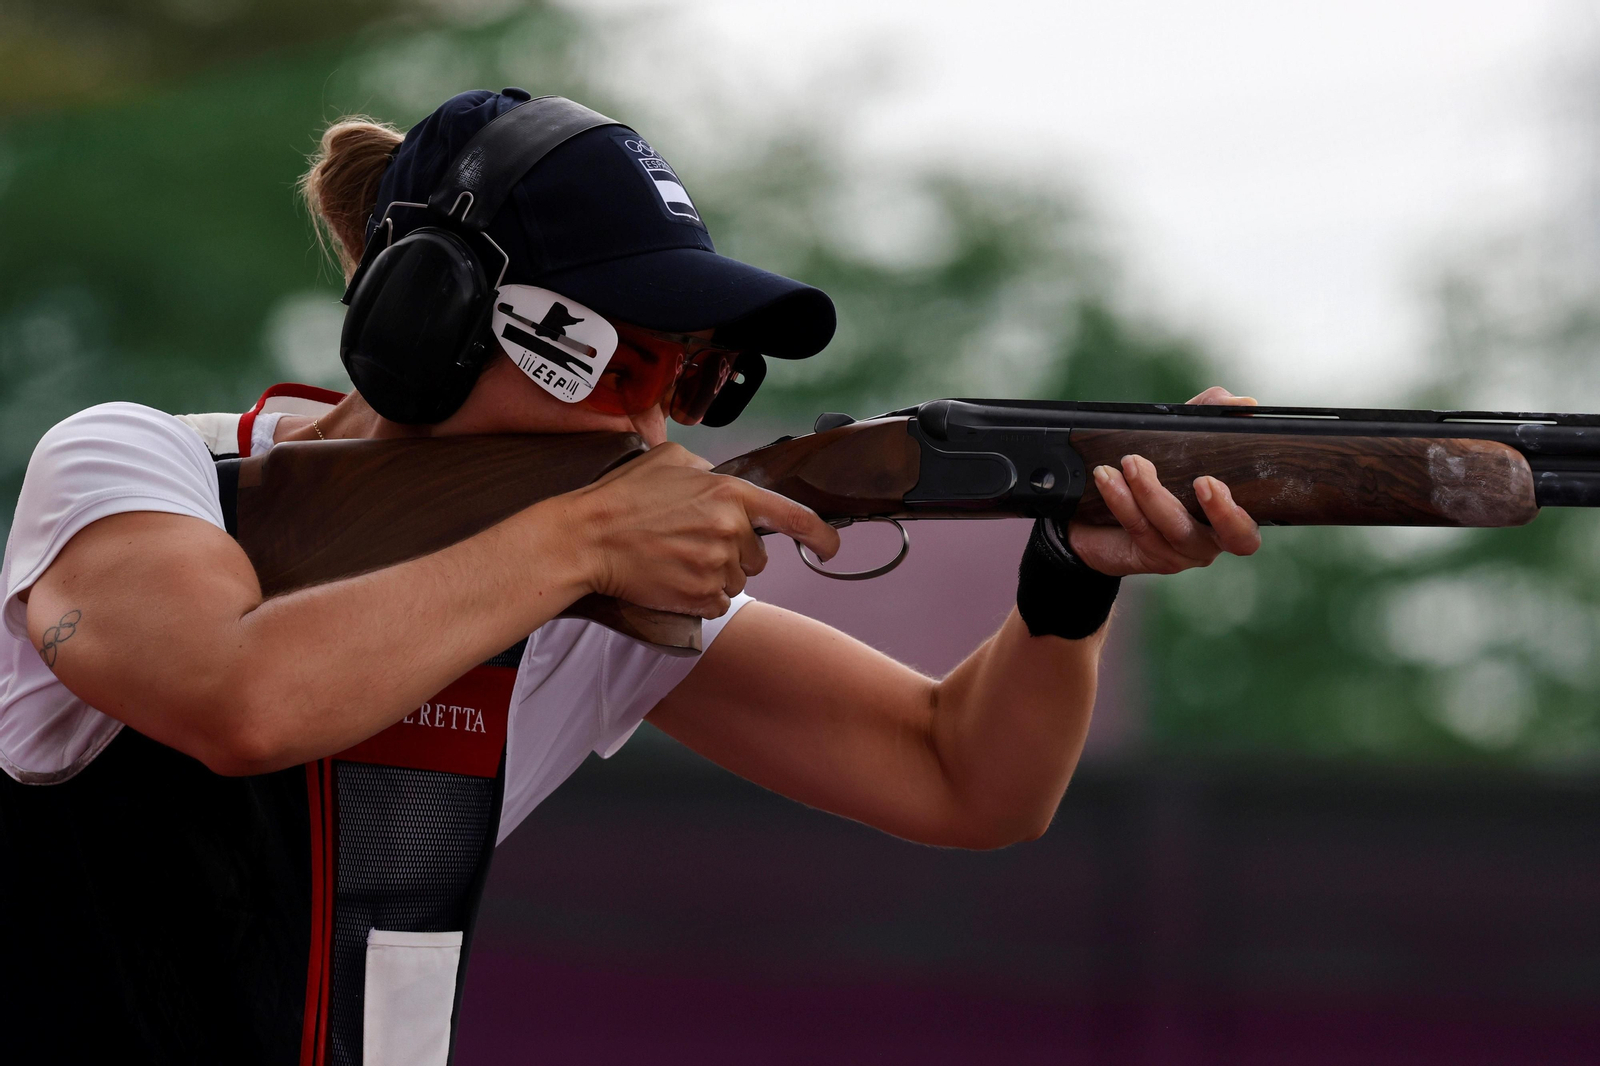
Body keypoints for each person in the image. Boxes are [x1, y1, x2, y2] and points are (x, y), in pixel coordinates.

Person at [0, 89, 1260, 1064]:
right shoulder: (135, 469)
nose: (654, 423)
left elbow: (963, 775)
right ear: (423, 320)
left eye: (694, 375)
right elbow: (242, 699)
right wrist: (579, 545)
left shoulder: (578, 587)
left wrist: (1068, 576)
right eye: (607, 358)